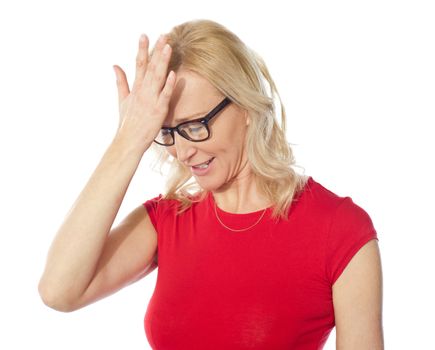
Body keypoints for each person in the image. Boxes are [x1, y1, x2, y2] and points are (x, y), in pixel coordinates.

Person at [38, 19, 384, 350]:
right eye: (168, 132)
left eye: (194, 125)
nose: (182, 151)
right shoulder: (168, 220)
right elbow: (58, 291)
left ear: (246, 106)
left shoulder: (339, 229)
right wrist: (128, 139)